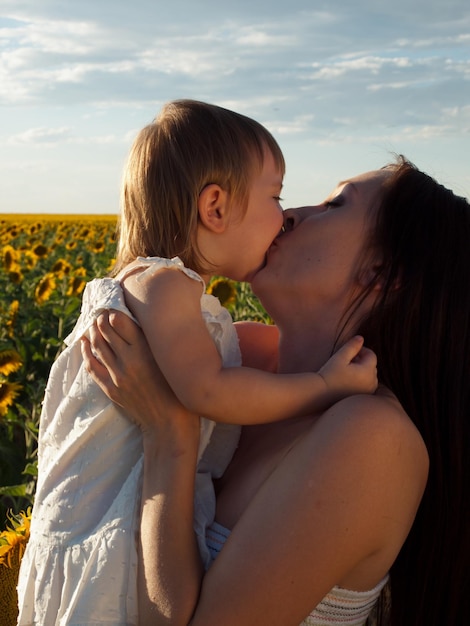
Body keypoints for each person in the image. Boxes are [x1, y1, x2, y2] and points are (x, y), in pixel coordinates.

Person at [16, 100, 377, 626]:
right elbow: (208, 391)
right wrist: (321, 385)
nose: (286, 214)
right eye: (274, 197)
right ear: (215, 207)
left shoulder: (159, 290)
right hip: (110, 525)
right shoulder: (164, 285)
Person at [82, 156, 469, 626]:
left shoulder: (373, 437)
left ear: (382, 271)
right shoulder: (234, 356)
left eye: (334, 204)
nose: (289, 215)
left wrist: (169, 430)